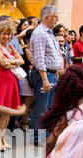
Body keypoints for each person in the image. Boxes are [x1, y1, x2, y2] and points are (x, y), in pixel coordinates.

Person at [29, 4, 63, 145]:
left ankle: (46, 134)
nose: (56, 20)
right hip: (43, 75)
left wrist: (54, 74)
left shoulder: (49, 33)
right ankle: (38, 137)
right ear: (47, 17)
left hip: (50, 74)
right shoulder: (40, 33)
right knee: (41, 107)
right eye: (55, 17)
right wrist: (44, 79)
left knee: (49, 107)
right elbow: (39, 58)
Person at [0, 21, 24, 152]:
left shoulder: (10, 47)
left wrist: (12, 62)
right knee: (2, 110)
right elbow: (3, 64)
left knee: (9, 110)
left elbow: (22, 61)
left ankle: (3, 138)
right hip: (1, 81)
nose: (6, 36)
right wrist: (14, 62)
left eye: (9, 34)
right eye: (4, 33)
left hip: (12, 81)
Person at [19, 29, 34, 132]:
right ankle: (23, 121)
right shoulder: (26, 50)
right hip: (25, 78)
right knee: (26, 100)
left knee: (30, 100)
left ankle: (25, 120)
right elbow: (32, 61)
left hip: (31, 77)